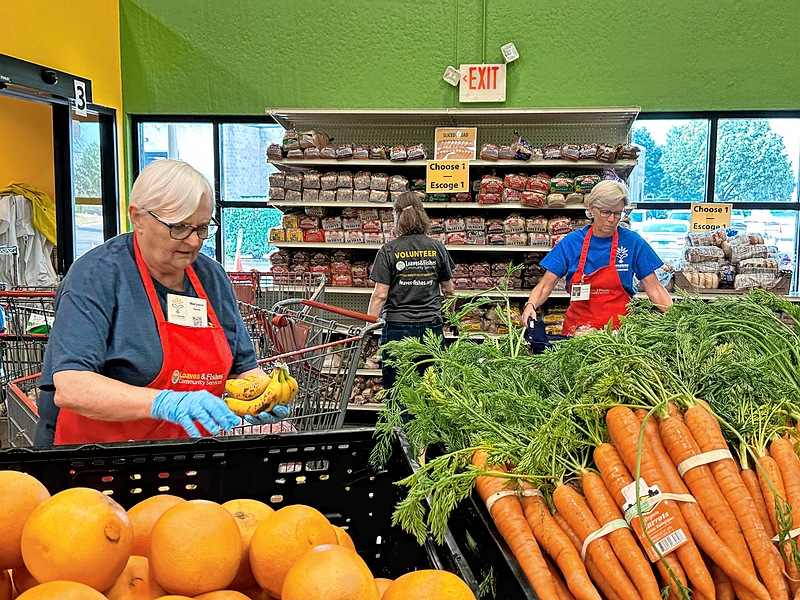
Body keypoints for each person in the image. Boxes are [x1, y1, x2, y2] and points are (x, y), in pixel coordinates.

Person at [34, 159, 289, 445]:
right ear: (138, 218)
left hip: (187, 458)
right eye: (179, 227)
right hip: (96, 460)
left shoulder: (210, 277)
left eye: (202, 227)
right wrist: (165, 403)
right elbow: (72, 387)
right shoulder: (97, 276)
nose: (193, 242)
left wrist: (263, 395)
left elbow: (242, 367)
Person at [521, 180, 672, 336]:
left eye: (618, 213)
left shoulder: (633, 242)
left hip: (619, 335)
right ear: (592, 209)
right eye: (606, 212)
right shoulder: (572, 243)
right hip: (578, 333)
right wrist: (531, 305)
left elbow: (654, 288)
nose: (612, 219)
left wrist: (676, 316)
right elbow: (545, 286)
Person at [368, 192, 455, 393]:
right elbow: (449, 290)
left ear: (396, 217)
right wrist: (451, 318)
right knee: (431, 389)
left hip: (397, 328)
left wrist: (368, 327)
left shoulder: (388, 250)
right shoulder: (437, 248)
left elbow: (380, 295)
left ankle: (400, 424)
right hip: (430, 329)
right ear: (422, 214)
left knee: (398, 387)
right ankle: (426, 425)